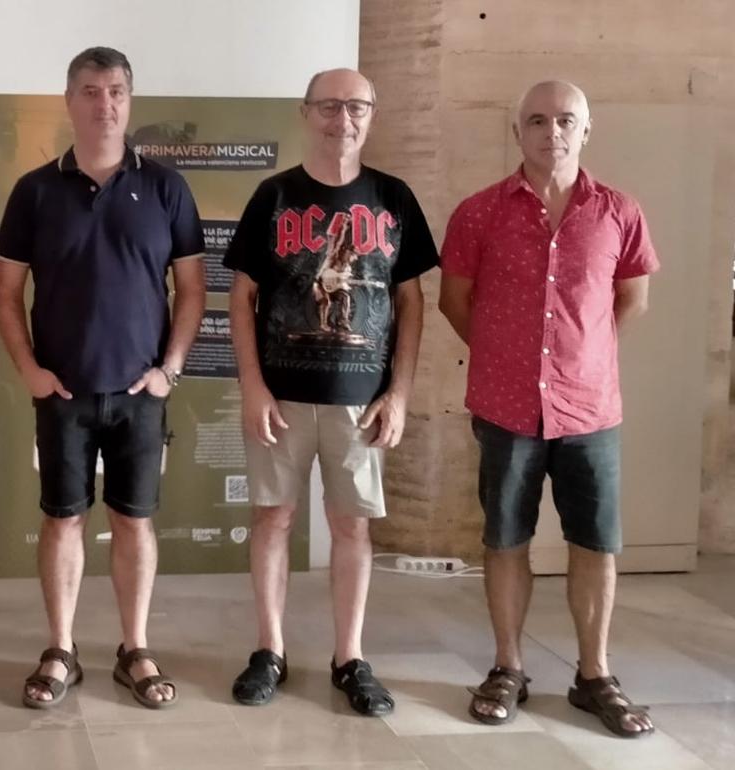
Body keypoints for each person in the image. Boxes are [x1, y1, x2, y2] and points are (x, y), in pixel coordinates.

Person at [439, 80, 658, 738]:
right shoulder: (478, 213)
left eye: (566, 120)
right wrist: (508, 359)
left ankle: (595, 675)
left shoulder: (619, 212)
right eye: (536, 120)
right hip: (505, 409)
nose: (551, 131)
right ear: (517, 133)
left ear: (586, 130)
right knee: (505, 539)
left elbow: (632, 299)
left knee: (595, 543)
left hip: (591, 411)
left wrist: (580, 359)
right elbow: (456, 301)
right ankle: (508, 667)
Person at [0, 46, 206, 710]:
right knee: (63, 522)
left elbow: (193, 289)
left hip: (141, 393)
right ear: (69, 101)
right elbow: (5, 293)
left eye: (115, 91)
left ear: (129, 100)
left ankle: (134, 648)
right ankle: (61, 649)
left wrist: (170, 370)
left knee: (135, 522)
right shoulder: (34, 190)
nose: (104, 103)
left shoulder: (167, 187)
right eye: (90, 91)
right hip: (63, 393)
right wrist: (28, 369)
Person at [224, 69, 437, 714]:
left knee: (352, 528)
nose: (342, 118)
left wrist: (399, 394)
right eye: (329, 106)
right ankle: (270, 650)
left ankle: (350, 656)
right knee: (273, 519)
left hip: (361, 401)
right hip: (281, 398)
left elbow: (412, 302)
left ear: (371, 114)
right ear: (305, 112)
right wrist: (253, 388)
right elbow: (241, 299)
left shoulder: (393, 198)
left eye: (356, 107)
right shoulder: (274, 196)